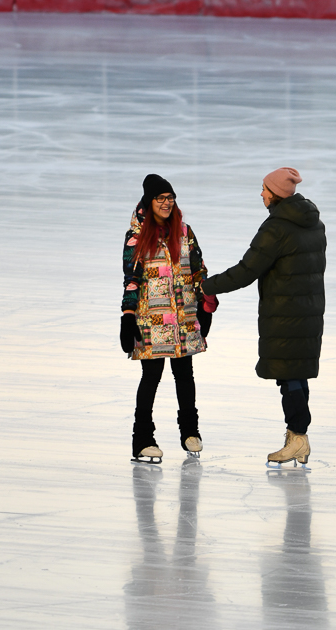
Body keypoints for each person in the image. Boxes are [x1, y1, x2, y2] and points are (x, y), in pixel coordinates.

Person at [201, 167, 326, 466]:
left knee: (290, 375)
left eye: (264, 189)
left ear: (276, 194)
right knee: (295, 372)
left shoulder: (277, 229)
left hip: (285, 314)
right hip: (307, 311)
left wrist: (207, 286)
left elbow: (247, 270)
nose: (261, 194)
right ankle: (298, 438)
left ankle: (297, 438)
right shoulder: (313, 223)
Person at [121, 173, 217, 463]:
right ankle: (142, 439)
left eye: (170, 199)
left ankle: (190, 432)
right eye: (161, 199)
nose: (167, 204)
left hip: (184, 316)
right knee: (151, 376)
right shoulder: (137, 236)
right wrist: (127, 316)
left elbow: (199, 271)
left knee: (184, 373)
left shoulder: (184, 232)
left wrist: (206, 303)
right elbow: (131, 279)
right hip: (152, 320)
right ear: (149, 202)